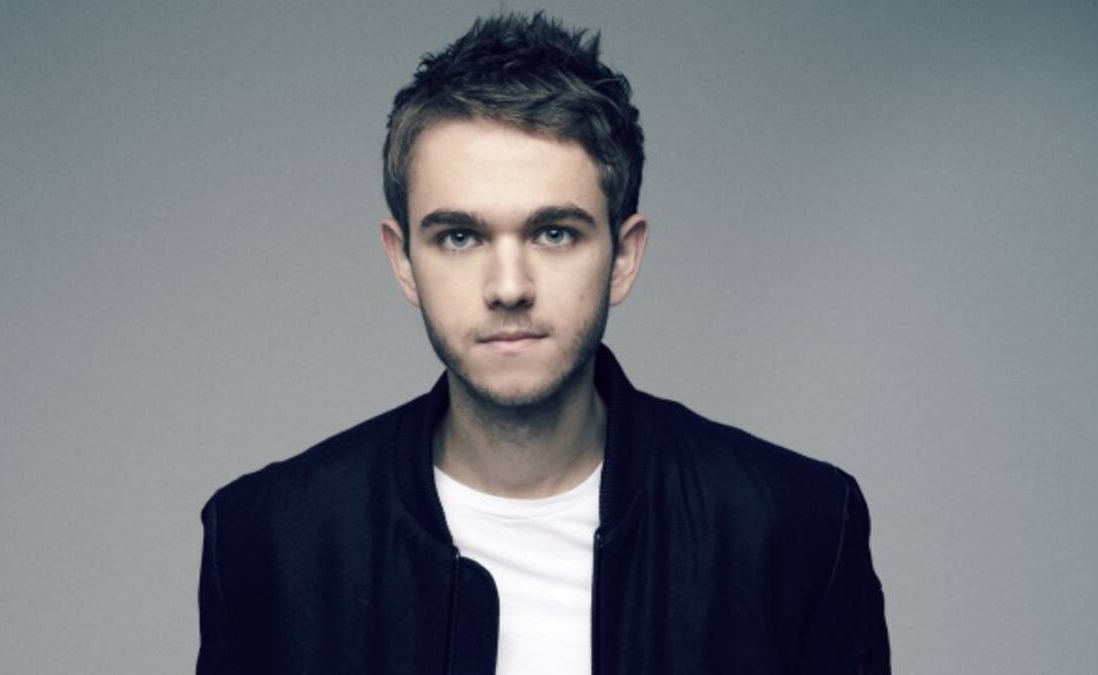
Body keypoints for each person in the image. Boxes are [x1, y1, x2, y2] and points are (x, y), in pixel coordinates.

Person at [196, 12, 890, 675]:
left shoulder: (799, 530)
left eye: (554, 233)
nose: (509, 287)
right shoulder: (269, 541)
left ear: (624, 256)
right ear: (403, 260)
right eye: (459, 236)